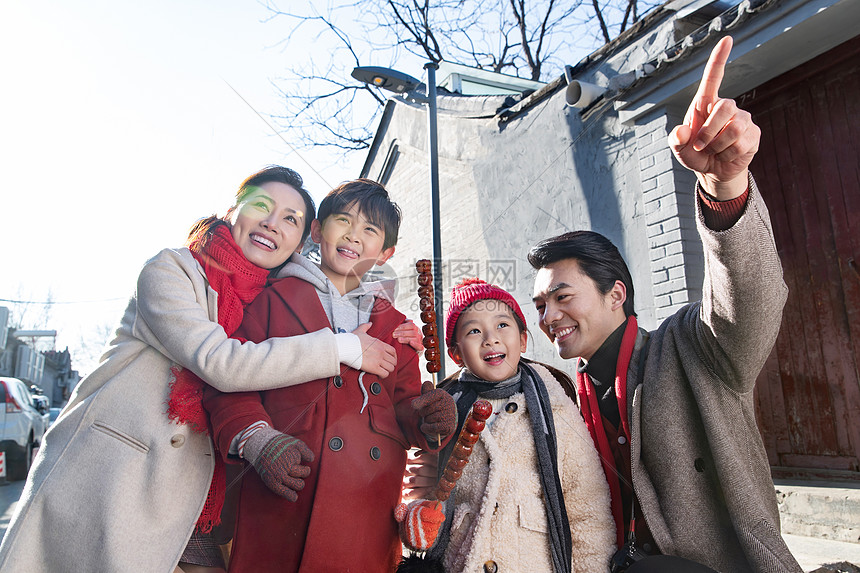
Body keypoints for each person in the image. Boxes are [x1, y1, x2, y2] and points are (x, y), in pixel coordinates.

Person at [0, 166, 419, 573]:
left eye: (289, 218)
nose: (273, 224)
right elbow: (221, 363)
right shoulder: (173, 270)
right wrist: (342, 347)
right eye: (261, 206)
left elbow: (397, 397)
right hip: (113, 477)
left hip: (192, 496)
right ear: (231, 210)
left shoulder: (266, 294)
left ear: (299, 240)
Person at [528, 37, 801, 572]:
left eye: (562, 296)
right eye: (539, 305)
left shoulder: (692, 351)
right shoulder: (563, 398)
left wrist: (724, 185)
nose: (548, 317)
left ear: (616, 293)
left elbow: (750, 300)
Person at [202, 178, 458, 573]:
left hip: (366, 513)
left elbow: (408, 411)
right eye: (343, 221)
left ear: (385, 252)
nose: (353, 236)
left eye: (370, 230)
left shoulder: (396, 326)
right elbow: (231, 383)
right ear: (318, 230)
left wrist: (431, 419)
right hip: (283, 500)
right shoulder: (272, 299)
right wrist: (258, 440)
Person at [397, 278, 617, 573]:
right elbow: (420, 492)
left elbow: (587, 505)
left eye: (502, 325)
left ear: (523, 340)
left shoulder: (555, 406)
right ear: (456, 354)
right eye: (474, 331)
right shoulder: (443, 412)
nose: (490, 338)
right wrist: (418, 518)